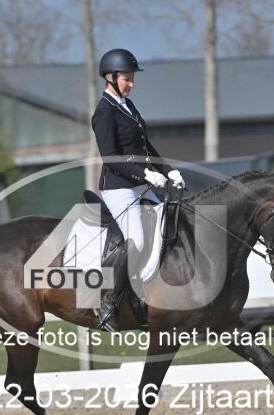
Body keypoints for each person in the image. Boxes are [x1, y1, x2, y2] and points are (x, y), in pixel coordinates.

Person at [91, 48, 185, 332]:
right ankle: (108, 304)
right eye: (127, 79)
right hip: (119, 188)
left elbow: (146, 148)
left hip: (141, 185)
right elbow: (111, 158)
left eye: (132, 78)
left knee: (172, 225)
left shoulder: (127, 106)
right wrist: (144, 173)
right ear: (111, 77)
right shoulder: (104, 111)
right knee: (138, 240)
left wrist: (168, 170)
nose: (131, 84)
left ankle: (158, 296)